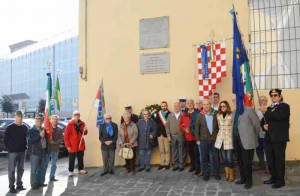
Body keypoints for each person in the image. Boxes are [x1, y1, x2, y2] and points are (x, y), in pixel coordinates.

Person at [262, 89, 290, 189]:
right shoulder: (270, 108)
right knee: (270, 160)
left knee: (279, 160)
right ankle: (273, 177)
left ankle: (280, 180)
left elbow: (279, 117)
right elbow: (263, 121)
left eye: (275, 95)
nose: (273, 97)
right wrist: (263, 126)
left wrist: (267, 111)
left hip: (279, 139)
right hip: (269, 138)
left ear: (280, 96)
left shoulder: (284, 106)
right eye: (272, 95)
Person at [232, 104, 260, 189]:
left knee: (247, 162)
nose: (236, 102)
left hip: (247, 141)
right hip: (236, 140)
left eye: (238, 100)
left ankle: (249, 181)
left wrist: (254, 137)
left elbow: (257, 125)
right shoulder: (233, 112)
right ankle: (243, 179)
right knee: (240, 161)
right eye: (234, 100)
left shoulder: (249, 110)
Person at [195, 100, 220, 181]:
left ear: (210, 105)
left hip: (214, 140)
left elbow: (219, 126)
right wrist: (198, 139)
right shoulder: (200, 115)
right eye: (204, 104)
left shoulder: (216, 113)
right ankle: (206, 174)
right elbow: (196, 128)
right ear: (203, 105)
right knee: (204, 158)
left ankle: (216, 174)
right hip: (203, 140)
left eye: (207, 104)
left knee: (215, 157)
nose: (206, 106)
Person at [4, 110, 28, 193]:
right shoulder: (9, 127)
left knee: (21, 169)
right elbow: (5, 140)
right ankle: (11, 186)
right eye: (18, 116)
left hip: (22, 151)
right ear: (15, 116)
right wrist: (9, 149)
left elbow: (28, 137)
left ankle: (19, 185)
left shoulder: (24, 127)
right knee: (11, 170)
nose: (20, 118)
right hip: (13, 152)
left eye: (21, 116)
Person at [214, 101, 235, 182]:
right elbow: (217, 127)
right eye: (221, 106)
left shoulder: (231, 115)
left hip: (229, 138)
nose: (222, 107)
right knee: (224, 158)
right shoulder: (218, 115)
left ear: (227, 106)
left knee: (230, 158)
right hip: (221, 139)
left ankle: (232, 174)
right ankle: (227, 174)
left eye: (224, 106)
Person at [64, 110, 88, 177]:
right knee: (72, 158)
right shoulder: (69, 124)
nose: (77, 116)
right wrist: (68, 145)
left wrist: (85, 130)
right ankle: (70, 171)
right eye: (75, 115)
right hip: (72, 144)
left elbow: (85, 133)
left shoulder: (82, 123)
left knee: (80, 157)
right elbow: (66, 136)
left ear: (79, 116)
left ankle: (80, 169)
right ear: (73, 116)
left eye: (78, 115)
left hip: (80, 143)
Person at [179, 99, 200, 175]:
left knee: (196, 153)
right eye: (188, 103)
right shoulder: (184, 114)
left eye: (191, 103)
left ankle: (198, 168)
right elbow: (180, 124)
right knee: (190, 153)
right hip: (188, 137)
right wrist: (184, 129)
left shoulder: (197, 113)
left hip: (195, 137)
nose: (190, 104)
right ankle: (192, 167)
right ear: (187, 105)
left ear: (193, 104)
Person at [28, 116, 49, 190]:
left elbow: (46, 140)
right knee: (34, 170)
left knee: (42, 169)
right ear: (35, 122)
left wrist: (46, 150)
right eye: (37, 121)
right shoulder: (31, 130)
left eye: (40, 121)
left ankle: (40, 182)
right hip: (34, 153)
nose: (39, 123)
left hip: (43, 152)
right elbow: (30, 141)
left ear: (42, 122)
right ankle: (33, 184)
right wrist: (39, 136)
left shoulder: (44, 129)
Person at [166, 102, 186, 171]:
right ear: (173, 107)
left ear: (180, 107)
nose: (176, 107)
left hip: (181, 135)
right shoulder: (170, 115)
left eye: (178, 106)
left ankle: (181, 165)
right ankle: (176, 165)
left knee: (181, 150)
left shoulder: (183, 115)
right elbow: (167, 126)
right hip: (173, 136)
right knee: (174, 151)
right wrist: (168, 135)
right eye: (175, 106)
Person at [155, 101, 171, 170]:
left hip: (166, 134)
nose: (163, 107)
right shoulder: (158, 114)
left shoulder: (170, 114)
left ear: (167, 106)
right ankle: (162, 163)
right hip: (159, 134)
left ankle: (167, 163)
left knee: (167, 149)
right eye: (162, 106)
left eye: (165, 106)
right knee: (161, 150)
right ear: (161, 107)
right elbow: (155, 123)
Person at [254, 96, 269, 173]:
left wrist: (264, 112)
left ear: (266, 101)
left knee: (267, 151)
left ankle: (269, 167)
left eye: (263, 100)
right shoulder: (256, 111)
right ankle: (261, 164)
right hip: (258, 134)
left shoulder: (269, 110)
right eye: (260, 100)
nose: (262, 101)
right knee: (259, 150)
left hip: (265, 135)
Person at [48, 115, 64, 181]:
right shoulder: (48, 129)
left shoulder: (59, 129)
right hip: (48, 149)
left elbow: (61, 138)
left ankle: (52, 176)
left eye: (56, 119)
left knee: (54, 164)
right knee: (44, 164)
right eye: (54, 119)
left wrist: (55, 142)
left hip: (55, 149)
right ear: (51, 120)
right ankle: (41, 179)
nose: (55, 121)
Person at [190, 99, 204, 176]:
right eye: (197, 103)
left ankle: (208, 170)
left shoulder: (206, 112)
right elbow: (191, 126)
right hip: (197, 137)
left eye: (200, 103)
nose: (198, 104)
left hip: (206, 137)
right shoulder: (194, 114)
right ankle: (199, 170)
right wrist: (196, 134)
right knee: (198, 154)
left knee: (206, 155)